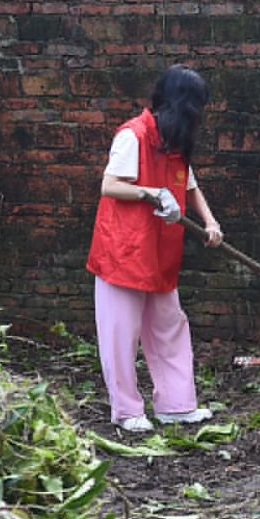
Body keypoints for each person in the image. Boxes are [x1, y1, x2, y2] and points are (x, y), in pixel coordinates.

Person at [86, 65, 226, 433]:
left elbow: (191, 188)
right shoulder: (132, 136)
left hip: (161, 254)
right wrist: (150, 192)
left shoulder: (175, 142)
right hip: (124, 252)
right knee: (121, 334)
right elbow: (110, 185)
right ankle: (128, 411)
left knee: (170, 327)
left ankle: (177, 406)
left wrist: (210, 223)